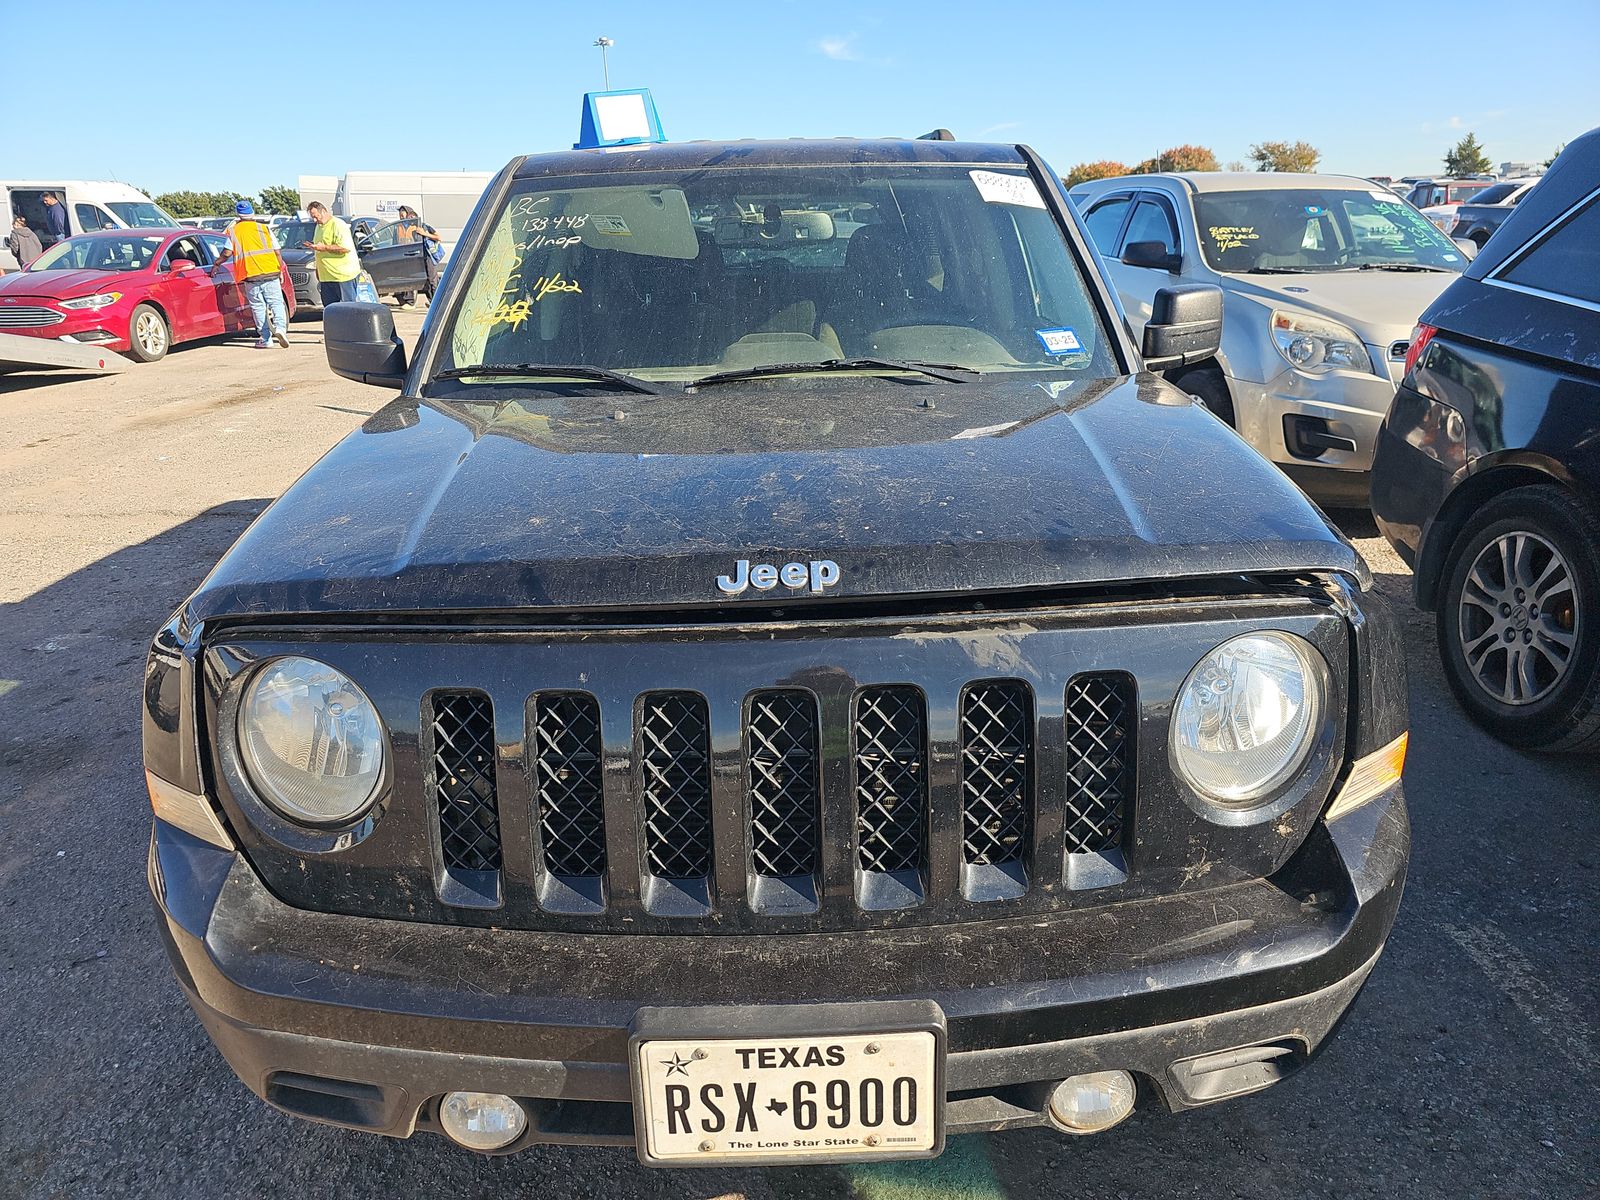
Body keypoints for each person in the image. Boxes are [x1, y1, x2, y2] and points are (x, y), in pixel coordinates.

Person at [213, 200, 291, 350]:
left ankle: (266, 338)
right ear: (252, 213)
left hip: (250, 275)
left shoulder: (234, 231)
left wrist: (217, 264)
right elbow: (277, 251)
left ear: (238, 215)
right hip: (270, 271)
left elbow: (226, 253)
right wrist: (280, 268)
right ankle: (281, 328)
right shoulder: (264, 228)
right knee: (276, 302)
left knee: (258, 307)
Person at [303, 201, 363, 305]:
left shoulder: (338, 225)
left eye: (316, 216)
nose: (314, 220)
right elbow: (319, 250)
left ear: (323, 212)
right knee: (331, 311)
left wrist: (324, 247)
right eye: (312, 217)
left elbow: (344, 248)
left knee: (348, 309)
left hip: (343, 277)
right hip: (326, 277)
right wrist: (318, 270)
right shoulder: (319, 227)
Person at [393, 205, 443, 308]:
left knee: (431, 279)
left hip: (426, 255)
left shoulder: (421, 226)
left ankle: (435, 302)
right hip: (409, 256)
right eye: (400, 214)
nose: (401, 215)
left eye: (403, 213)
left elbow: (438, 237)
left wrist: (424, 233)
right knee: (410, 278)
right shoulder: (398, 227)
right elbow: (395, 242)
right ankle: (409, 302)